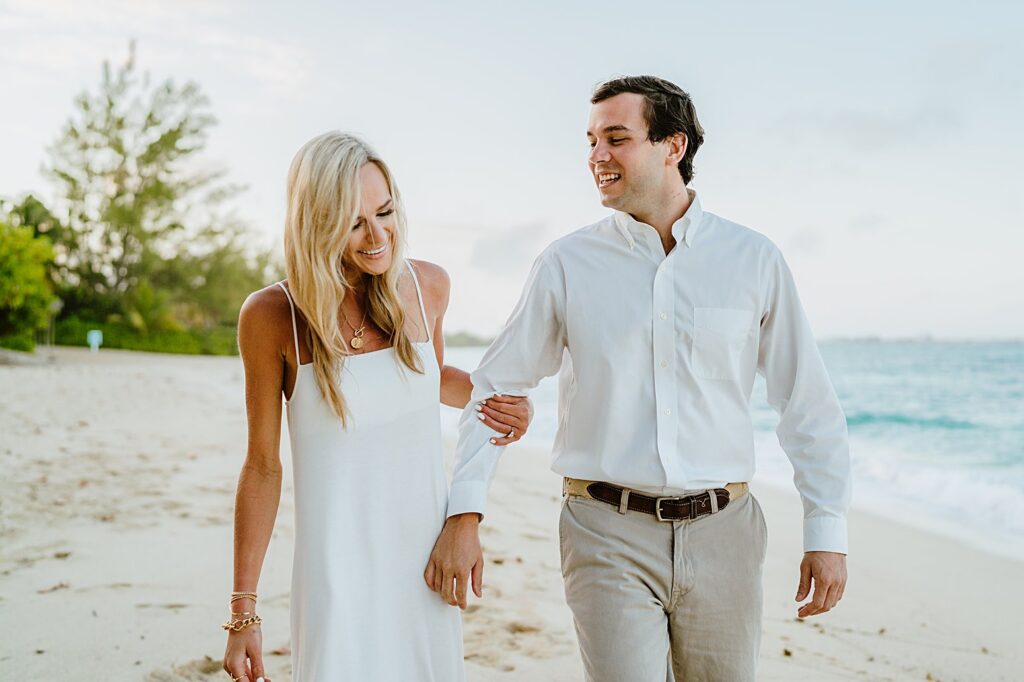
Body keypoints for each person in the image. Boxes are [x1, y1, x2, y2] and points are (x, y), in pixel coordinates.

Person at [426, 75, 852, 681]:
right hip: (605, 532)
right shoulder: (566, 263)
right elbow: (496, 390)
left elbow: (806, 403)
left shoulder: (753, 259)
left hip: (726, 533)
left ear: (672, 147)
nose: (597, 157)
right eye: (592, 141)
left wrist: (826, 530)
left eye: (616, 139)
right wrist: (464, 513)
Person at [222, 131, 533, 682]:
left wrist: (501, 404)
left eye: (385, 212)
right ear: (314, 222)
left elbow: (431, 382)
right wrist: (242, 610)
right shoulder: (272, 316)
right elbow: (263, 467)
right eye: (353, 221)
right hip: (335, 577)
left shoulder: (427, 285)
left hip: (427, 566)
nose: (377, 236)